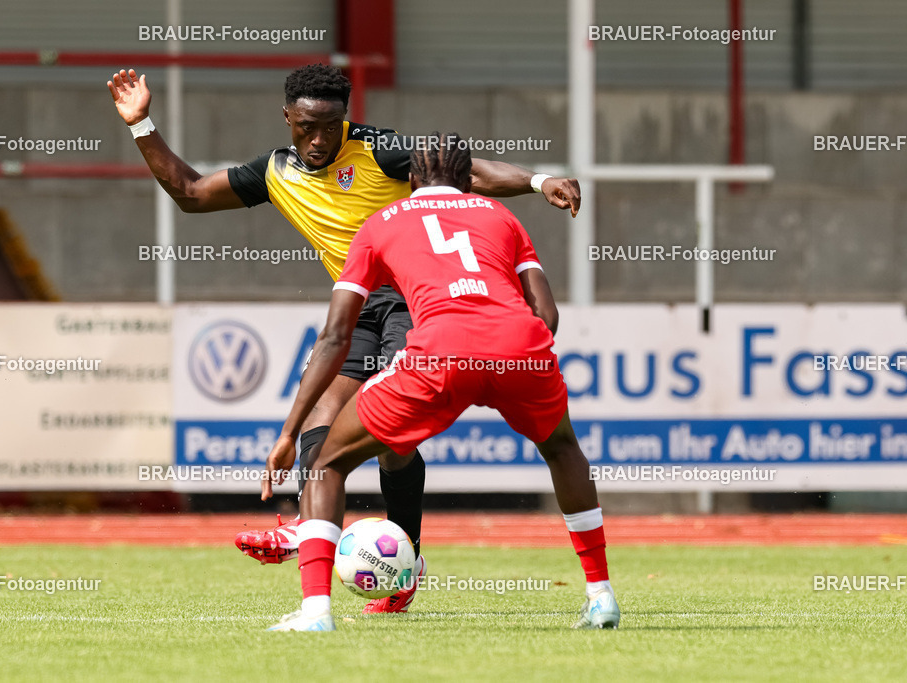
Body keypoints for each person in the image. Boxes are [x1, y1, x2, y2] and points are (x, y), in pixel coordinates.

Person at [108, 64, 581, 614]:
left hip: (416, 301)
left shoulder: (378, 151)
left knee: (394, 440)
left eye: (330, 127)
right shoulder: (275, 172)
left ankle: (407, 558)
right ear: (287, 118)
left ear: (345, 119)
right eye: (307, 126)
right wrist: (141, 125)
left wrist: (538, 179)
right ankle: (314, 536)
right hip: (355, 306)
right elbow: (190, 193)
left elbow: (468, 172)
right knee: (319, 422)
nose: (318, 139)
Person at [261, 133, 619, 632]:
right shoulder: (502, 216)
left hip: (439, 355)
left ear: (409, 178)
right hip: (520, 347)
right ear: (469, 178)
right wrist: (512, 359)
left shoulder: (379, 223)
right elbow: (547, 313)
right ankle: (601, 597)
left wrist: (287, 431)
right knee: (562, 449)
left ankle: (316, 612)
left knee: (328, 462)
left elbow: (336, 335)